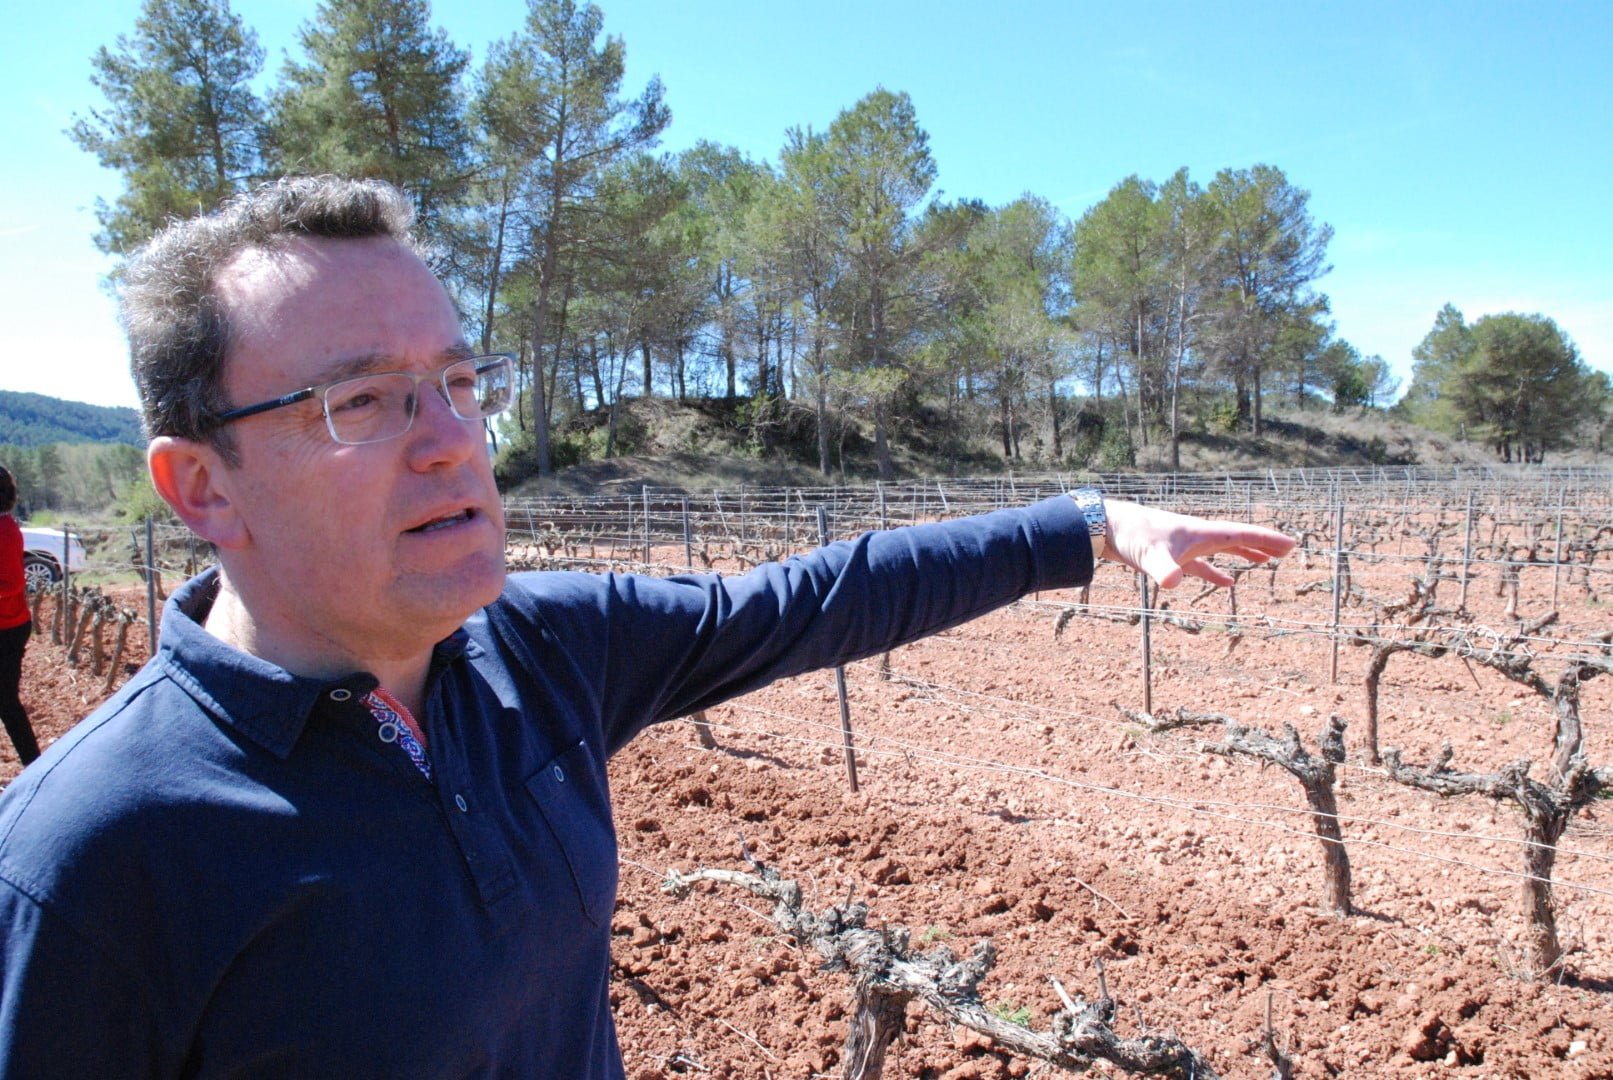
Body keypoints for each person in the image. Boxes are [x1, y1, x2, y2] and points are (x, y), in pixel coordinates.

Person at [0, 176, 1293, 1078]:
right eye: (361, 402)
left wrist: (1086, 525)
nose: (451, 440)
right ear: (201, 487)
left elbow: (803, 601)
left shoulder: (536, 653)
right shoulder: (93, 859)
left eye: (458, 382)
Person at [0, 466, 41, 767]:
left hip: (7, 629)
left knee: (6, 701)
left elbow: (11, 585)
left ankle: (34, 765)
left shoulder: (4, 530)